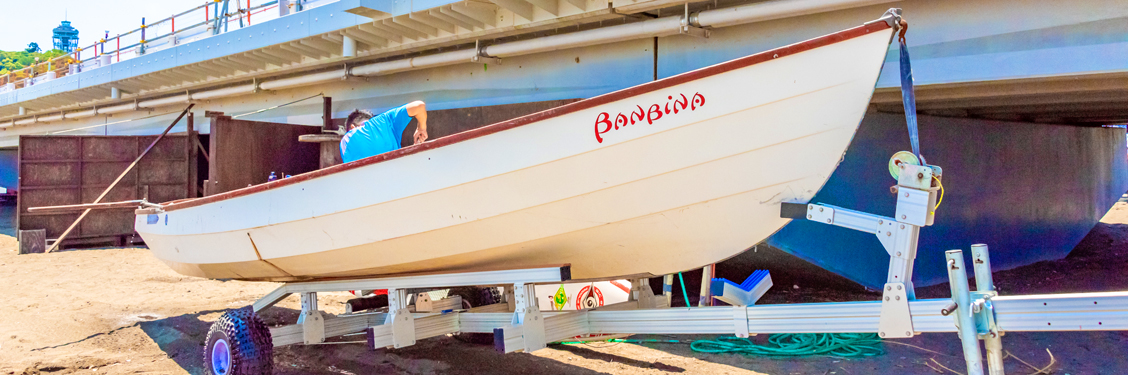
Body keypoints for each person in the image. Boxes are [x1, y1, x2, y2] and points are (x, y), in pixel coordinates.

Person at [339, 101, 429, 163]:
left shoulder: (348, 138)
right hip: (394, 178)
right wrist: (421, 128)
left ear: (352, 127)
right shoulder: (386, 120)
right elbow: (419, 106)